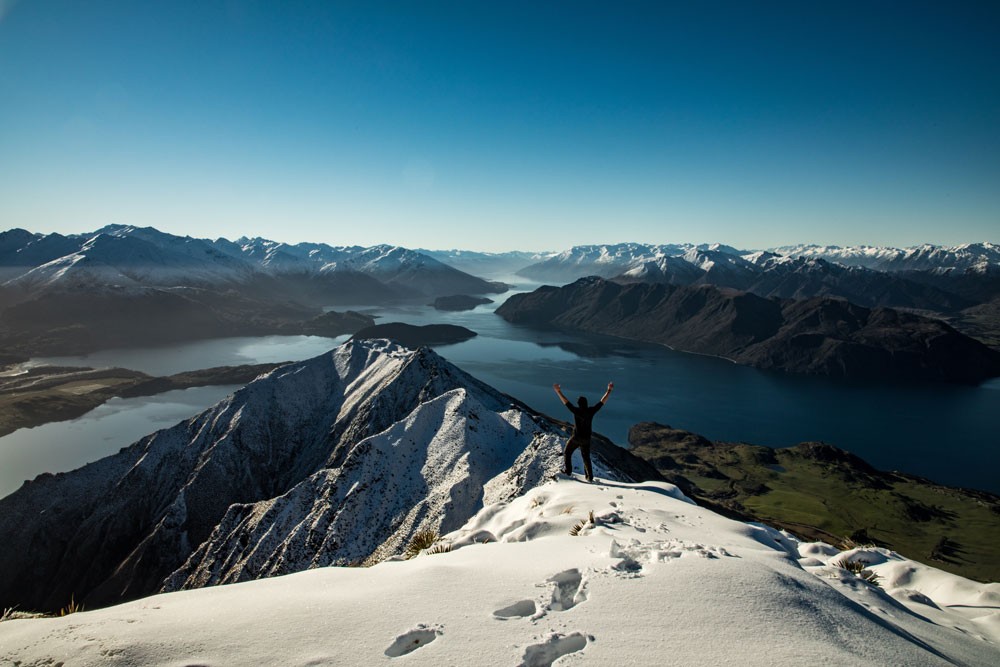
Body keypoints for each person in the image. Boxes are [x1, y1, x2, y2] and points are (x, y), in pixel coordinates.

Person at [553, 381, 613, 482]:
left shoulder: (576, 411)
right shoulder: (591, 411)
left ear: (579, 404)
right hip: (587, 439)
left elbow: (566, 402)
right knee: (586, 458)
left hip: (576, 438)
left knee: (567, 452)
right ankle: (589, 477)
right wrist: (608, 391)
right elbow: (602, 401)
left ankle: (568, 471)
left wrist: (558, 392)